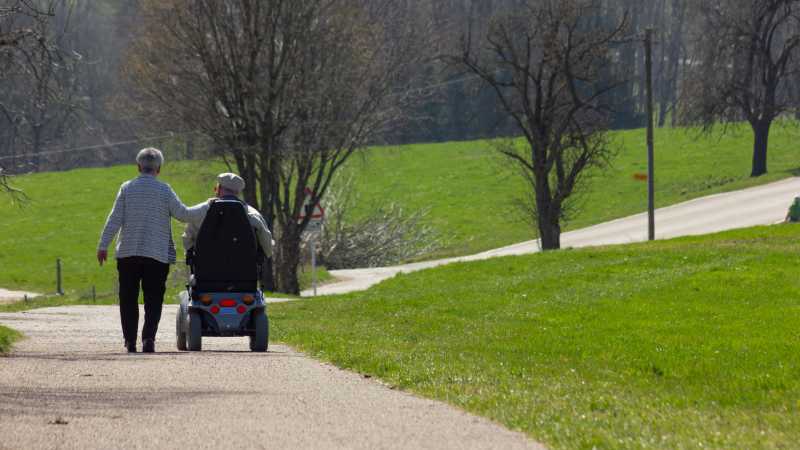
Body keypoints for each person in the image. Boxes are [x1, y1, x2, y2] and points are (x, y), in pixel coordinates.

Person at [97, 148, 207, 353]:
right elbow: (184, 214)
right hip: (156, 254)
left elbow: (114, 219)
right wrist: (208, 205)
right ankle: (148, 339)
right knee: (153, 298)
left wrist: (103, 245)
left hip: (128, 253)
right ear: (159, 169)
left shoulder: (127, 188)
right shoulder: (165, 191)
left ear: (138, 167)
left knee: (128, 298)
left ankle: (130, 341)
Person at [182, 173, 273, 266]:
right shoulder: (253, 215)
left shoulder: (200, 212)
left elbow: (187, 239)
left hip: (206, 274)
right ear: (238, 193)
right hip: (243, 274)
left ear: (218, 189)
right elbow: (268, 248)